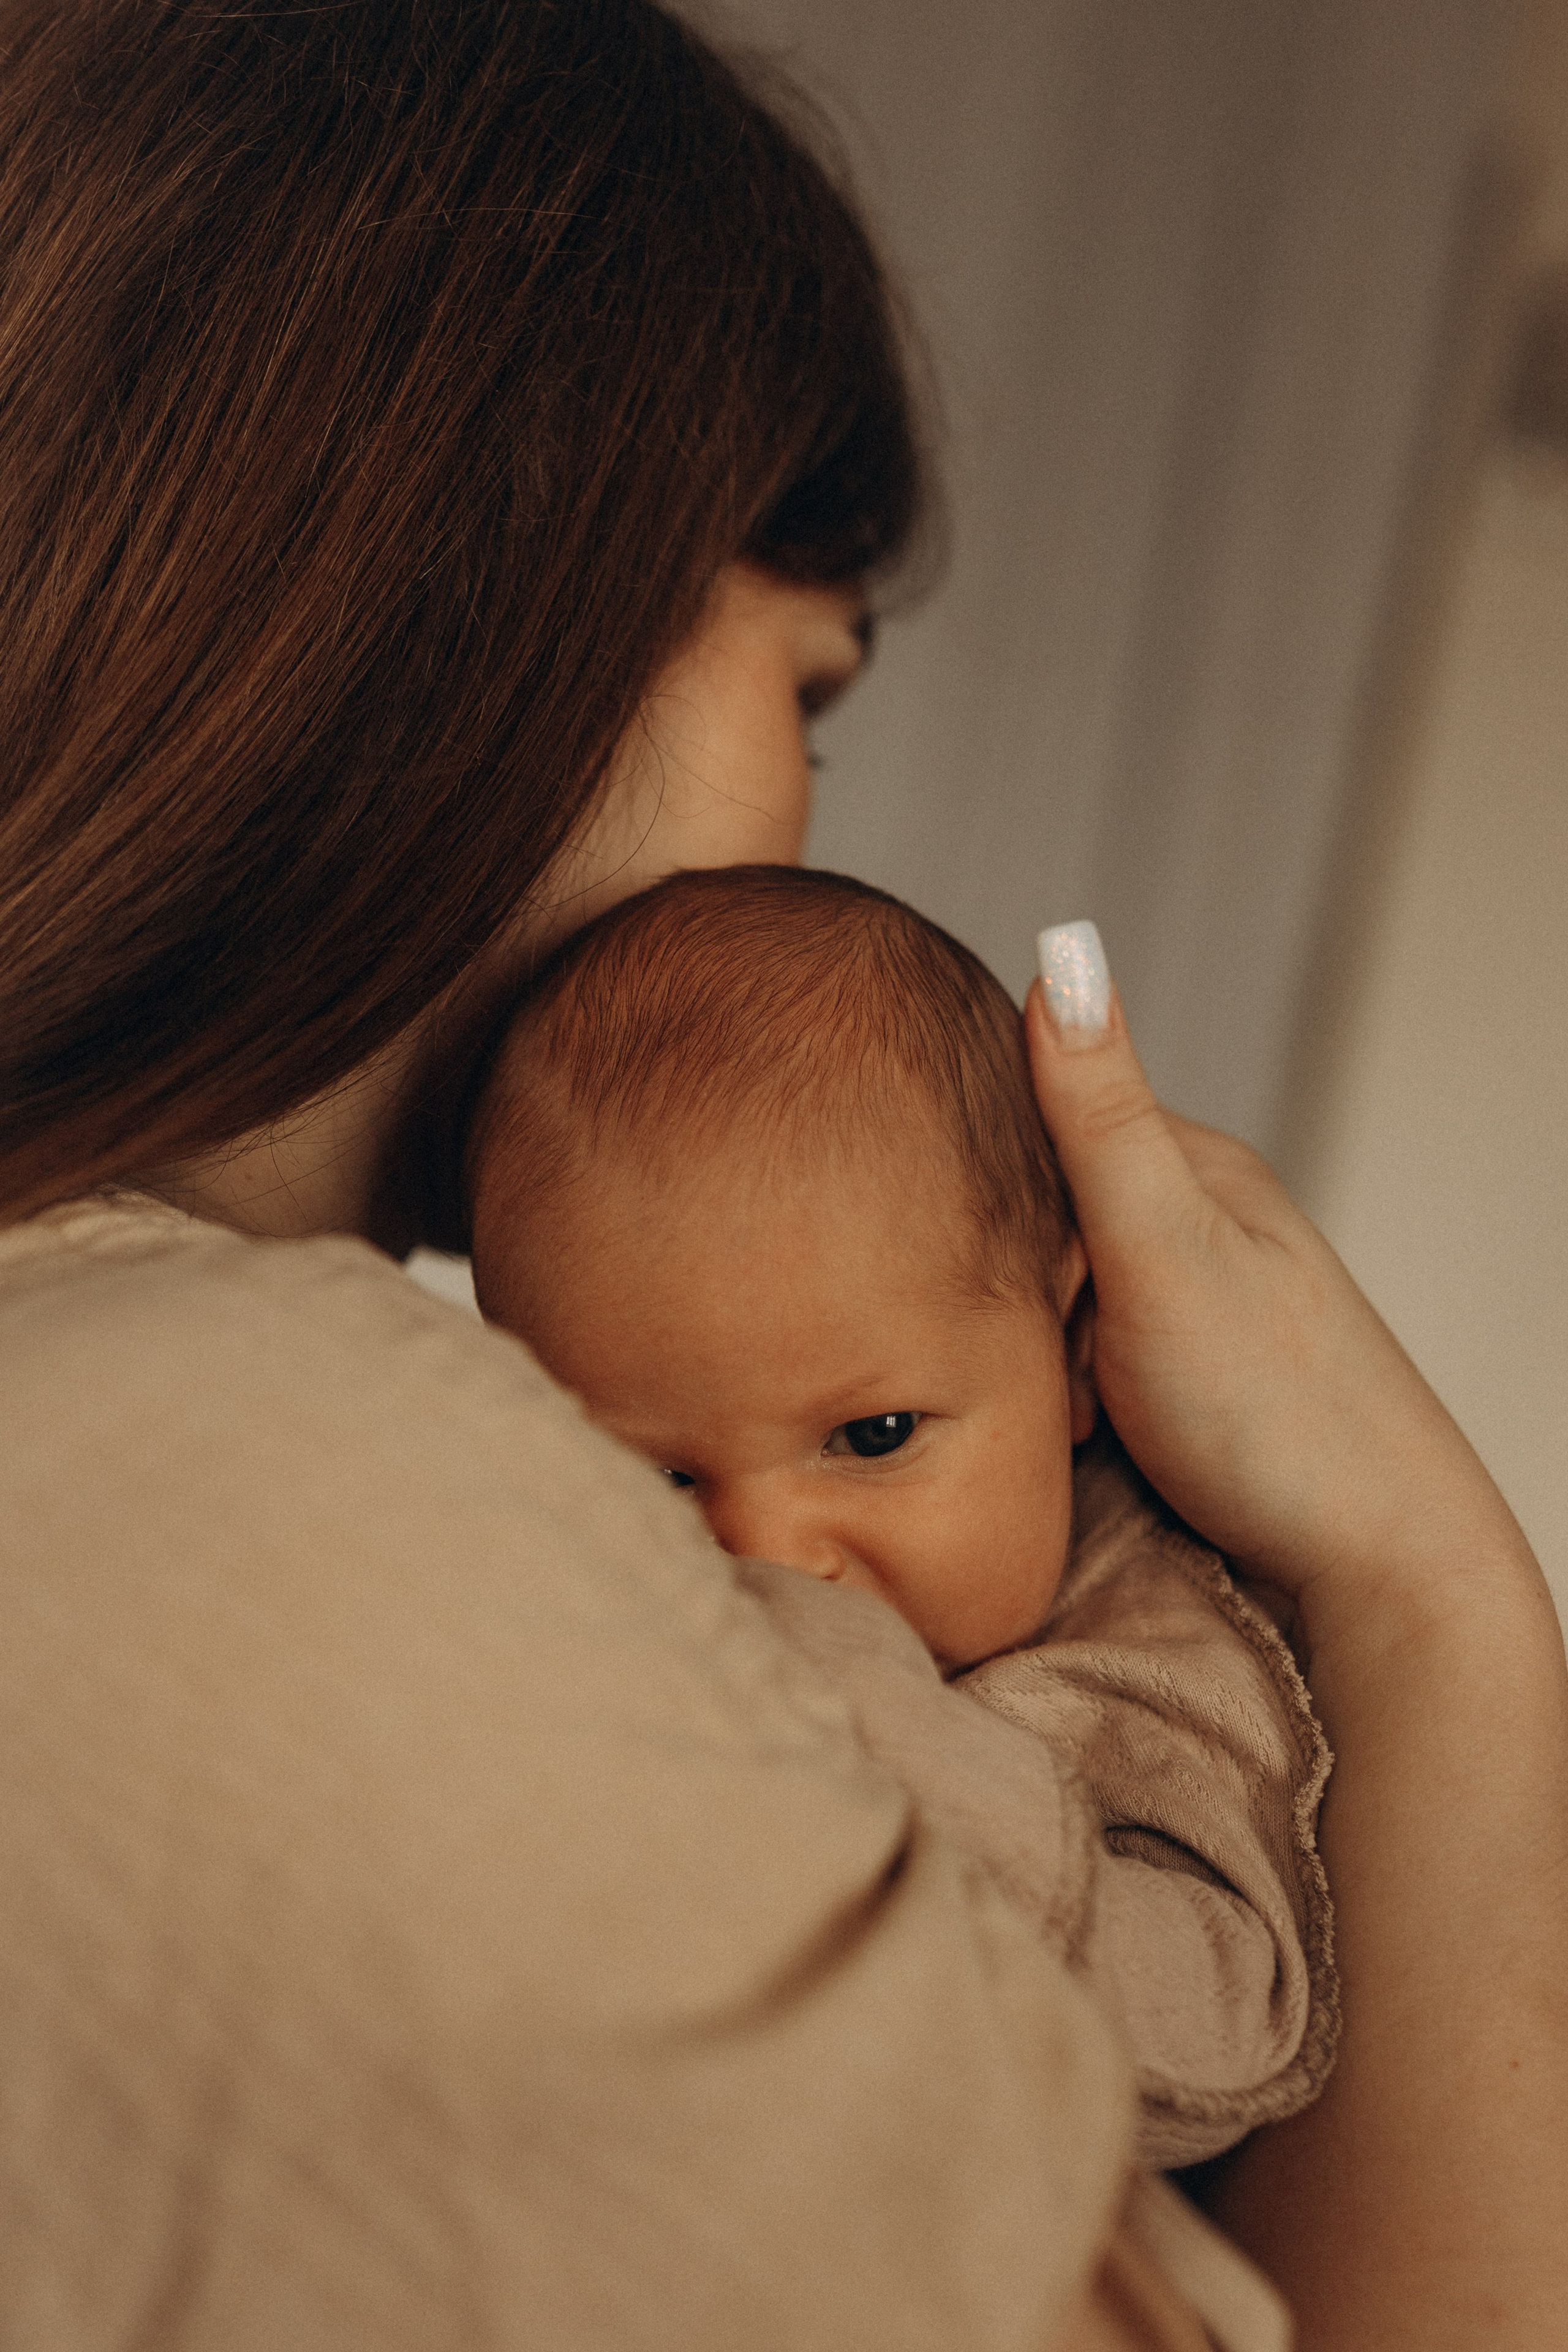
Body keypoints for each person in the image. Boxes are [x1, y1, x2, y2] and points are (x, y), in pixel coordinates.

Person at [0, 4, 1562, 2348]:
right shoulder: (321, 1507)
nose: (812, 809)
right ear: (527, 579)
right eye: (809, 694)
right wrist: (1444, 1606)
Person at [461, 861, 1338, 2174]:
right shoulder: (558, 1610)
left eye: (871, 1440)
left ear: (1073, 1349)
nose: (768, 1560)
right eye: (658, 1479)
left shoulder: (1148, 1655)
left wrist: (864, 1716)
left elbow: (1228, 2037)